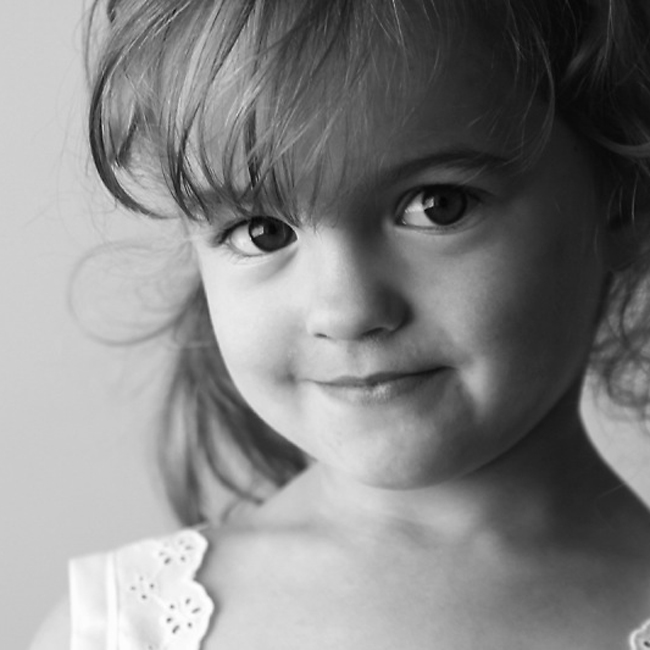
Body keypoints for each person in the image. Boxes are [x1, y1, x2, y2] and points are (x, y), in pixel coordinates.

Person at [31, 0, 650, 648]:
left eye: (437, 207)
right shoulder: (115, 628)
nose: (347, 311)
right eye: (264, 231)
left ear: (622, 199)